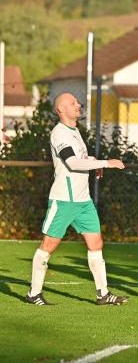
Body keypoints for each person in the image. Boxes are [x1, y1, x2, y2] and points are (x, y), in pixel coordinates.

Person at [25, 92, 128, 306]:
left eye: (77, 102)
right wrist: (104, 163)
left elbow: (80, 159)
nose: (78, 105)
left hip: (83, 201)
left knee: (96, 243)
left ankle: (103, 294)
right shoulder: (59, 133)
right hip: (64, 199)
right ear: (61, 110)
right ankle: (33, 294)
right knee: (49, 245)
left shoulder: (74, 132)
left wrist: (93, 163)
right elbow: (71, 162)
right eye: (72, 103)